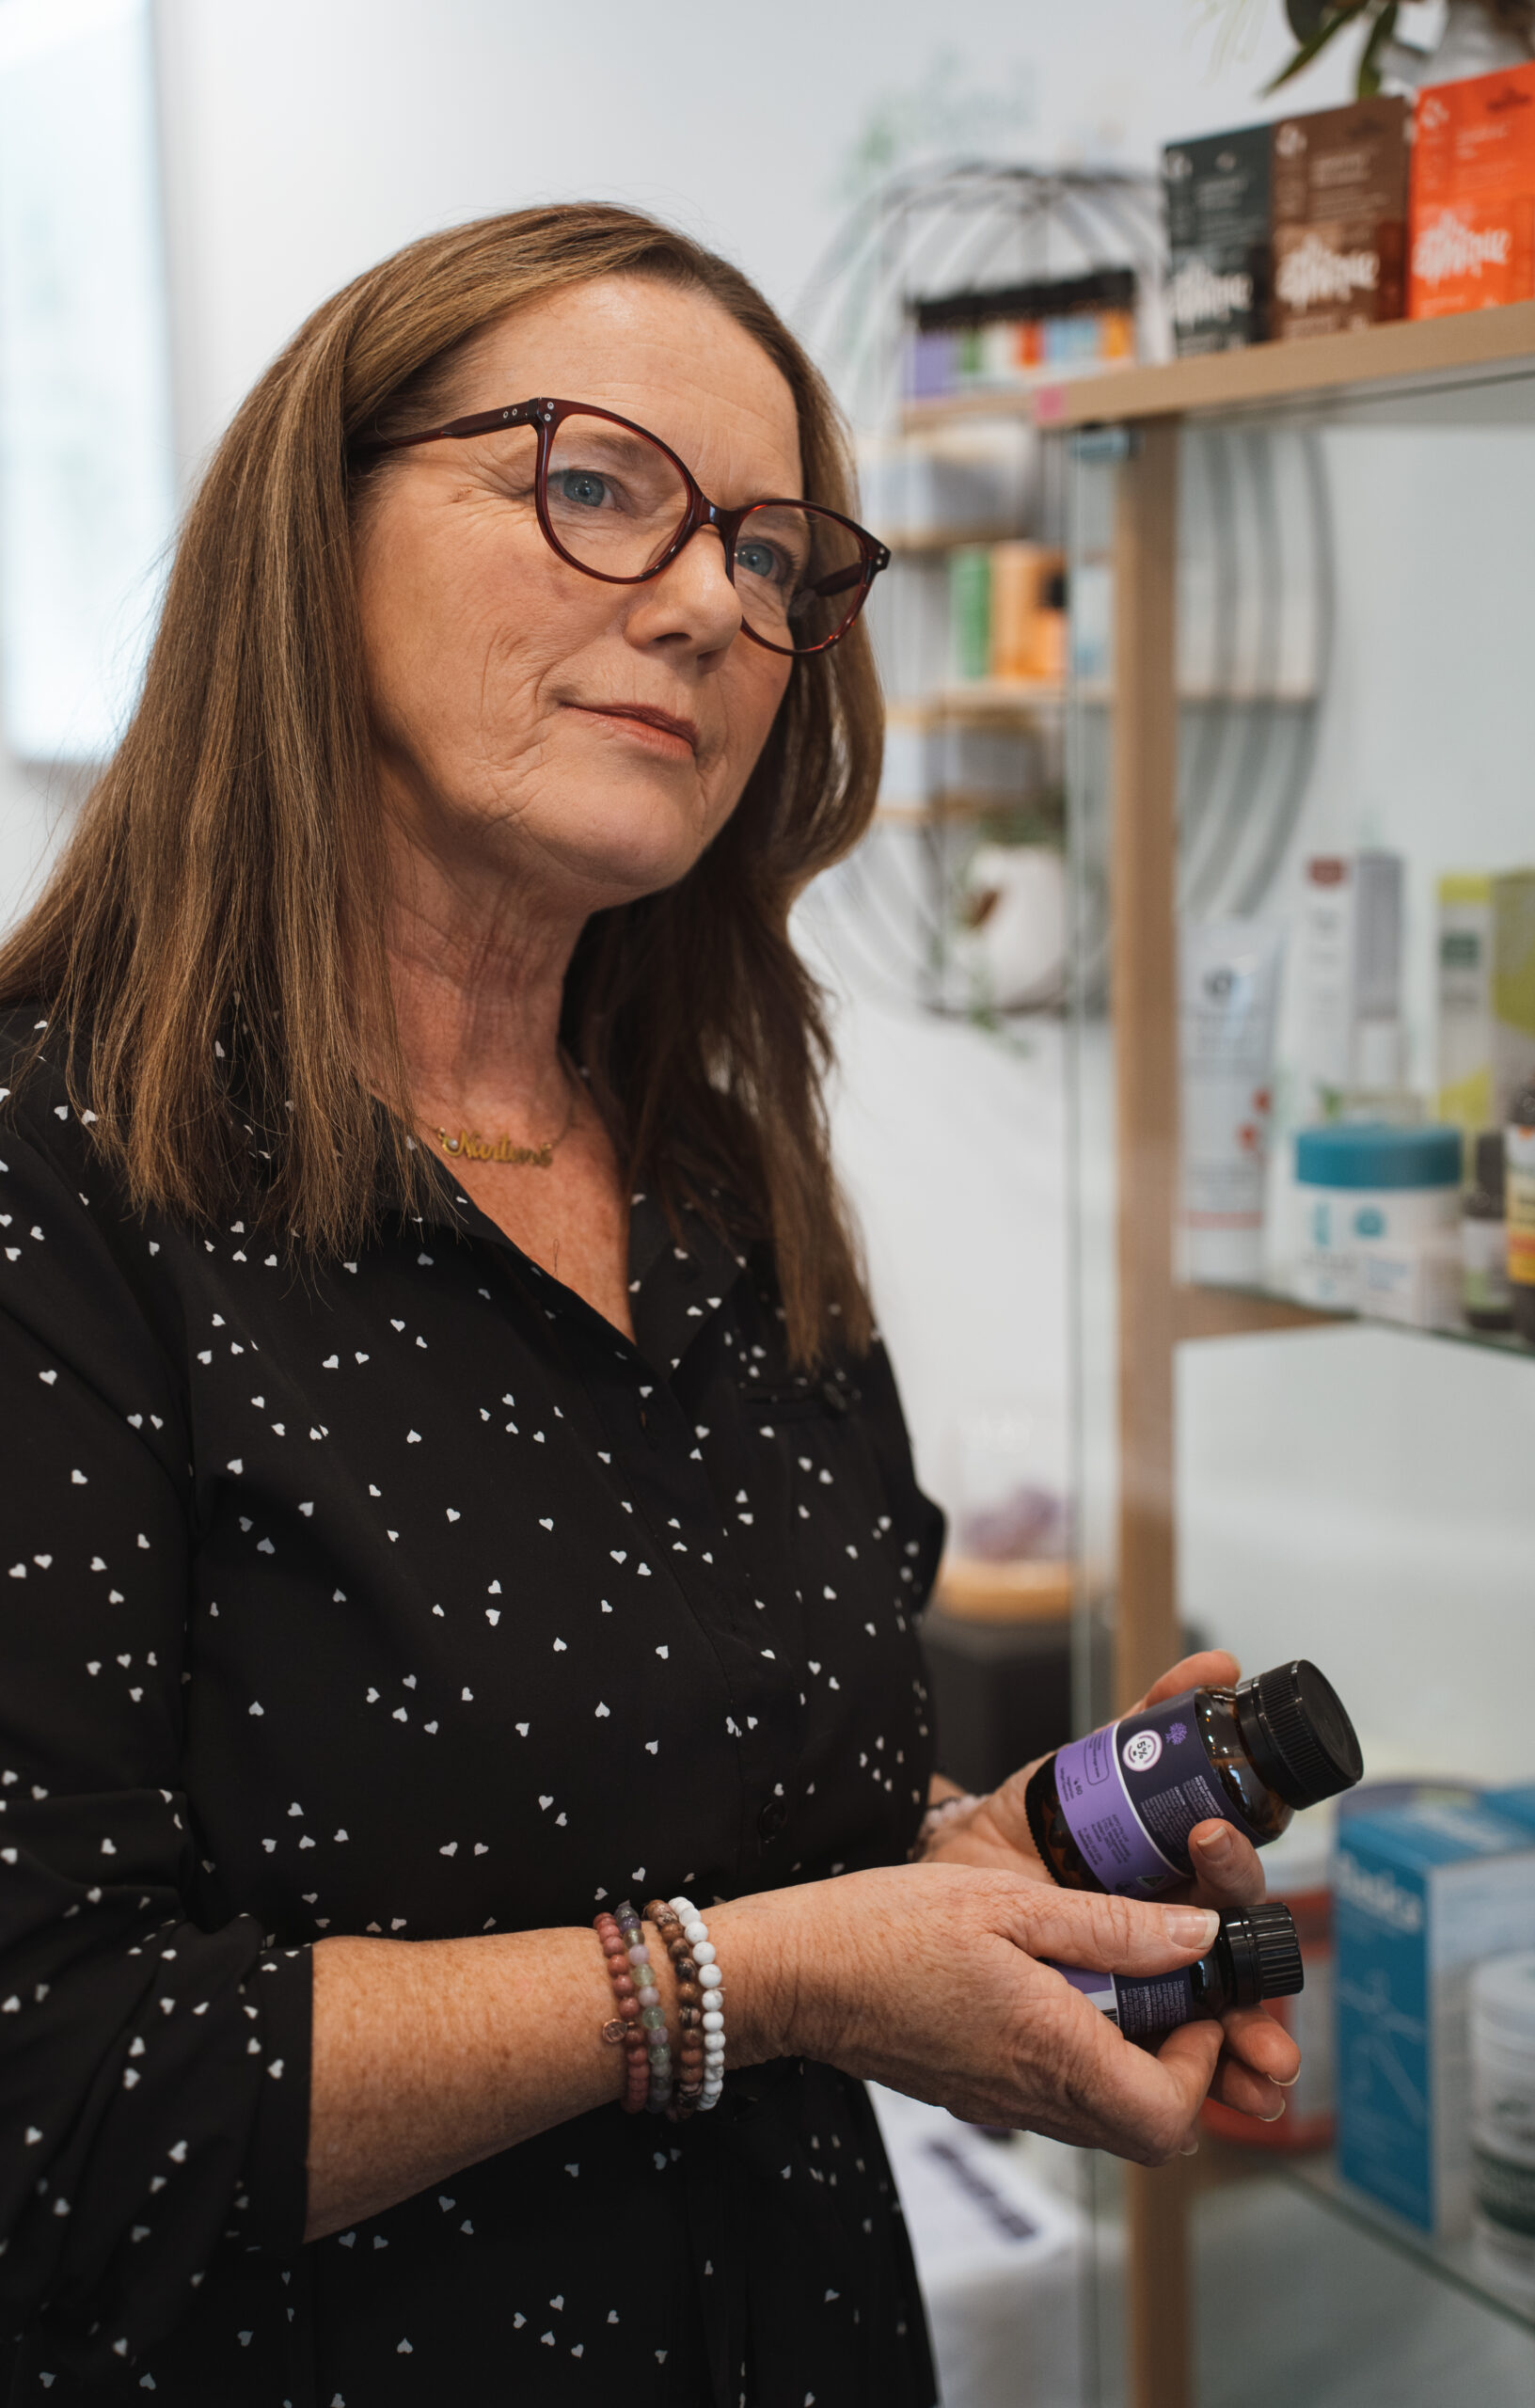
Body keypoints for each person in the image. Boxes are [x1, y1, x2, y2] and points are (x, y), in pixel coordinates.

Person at [0, 202, 1294, 2404]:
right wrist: (763, 1977)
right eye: (596, 485)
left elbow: (735, 1836)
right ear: (307, 539)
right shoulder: (62, 1191)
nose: (713, 599)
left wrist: (971, 1891)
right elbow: (54, 2102)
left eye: (779, 557)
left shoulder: (719, 1184)